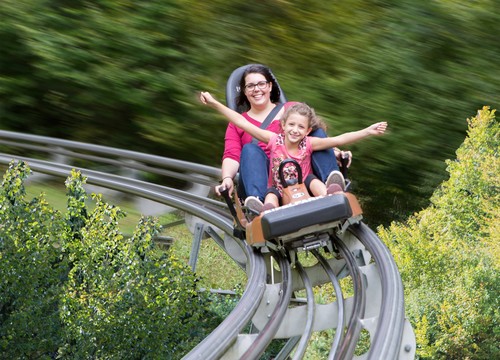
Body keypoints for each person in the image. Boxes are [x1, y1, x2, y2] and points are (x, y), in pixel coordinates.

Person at [200, 93, 388, 212]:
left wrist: (367, 131)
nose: (295, 130)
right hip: (280, 188)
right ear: (282, 126)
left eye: (300, 127)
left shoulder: (309, 143)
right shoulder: (274, 140)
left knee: (312, 180)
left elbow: (339, 139)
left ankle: (331, 195)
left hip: (303, 184)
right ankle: (264, 211)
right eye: (291, 125)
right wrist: (215, 104)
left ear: (307, 130)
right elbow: (242, 123)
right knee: (272, 194)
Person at [214, 64, 351, 208]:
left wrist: (335, 151)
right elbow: (232, 155)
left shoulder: (292, 109)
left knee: (317, 132)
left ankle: (330, 184)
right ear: (245, 91)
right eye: (250, 86)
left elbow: (315, 136)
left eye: (261, 84)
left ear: (270, 86)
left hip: (301, 172)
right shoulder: (237, 124)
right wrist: (227, 179)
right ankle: (258, 203)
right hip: (267, 181)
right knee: (250, 149)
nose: (256, 89)